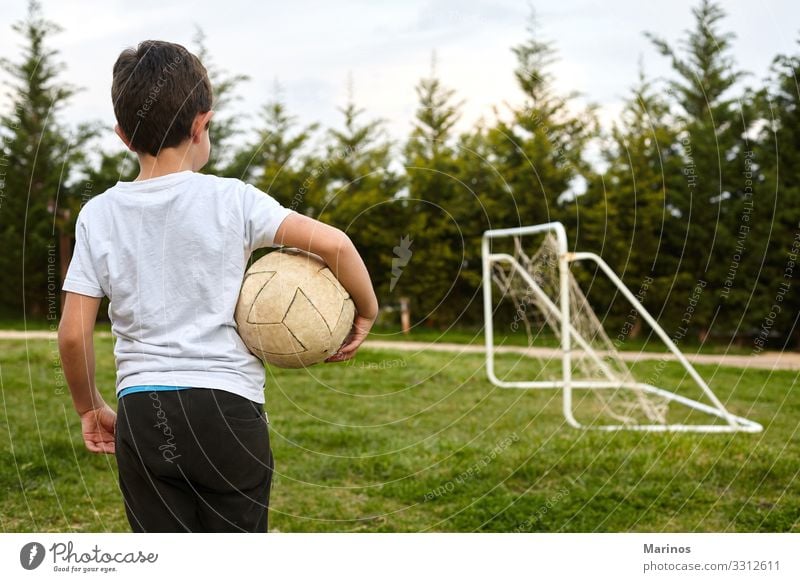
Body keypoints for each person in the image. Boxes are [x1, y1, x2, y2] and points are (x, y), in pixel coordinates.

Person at [57, 40, 378, 533]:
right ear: (202, 124)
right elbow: (335, 245)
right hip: (226, 409)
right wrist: (367, 311)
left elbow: (74, 335)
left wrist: (88, 407)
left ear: (123, 136)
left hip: (142, 411)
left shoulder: (97, 214)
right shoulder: (234, 200)